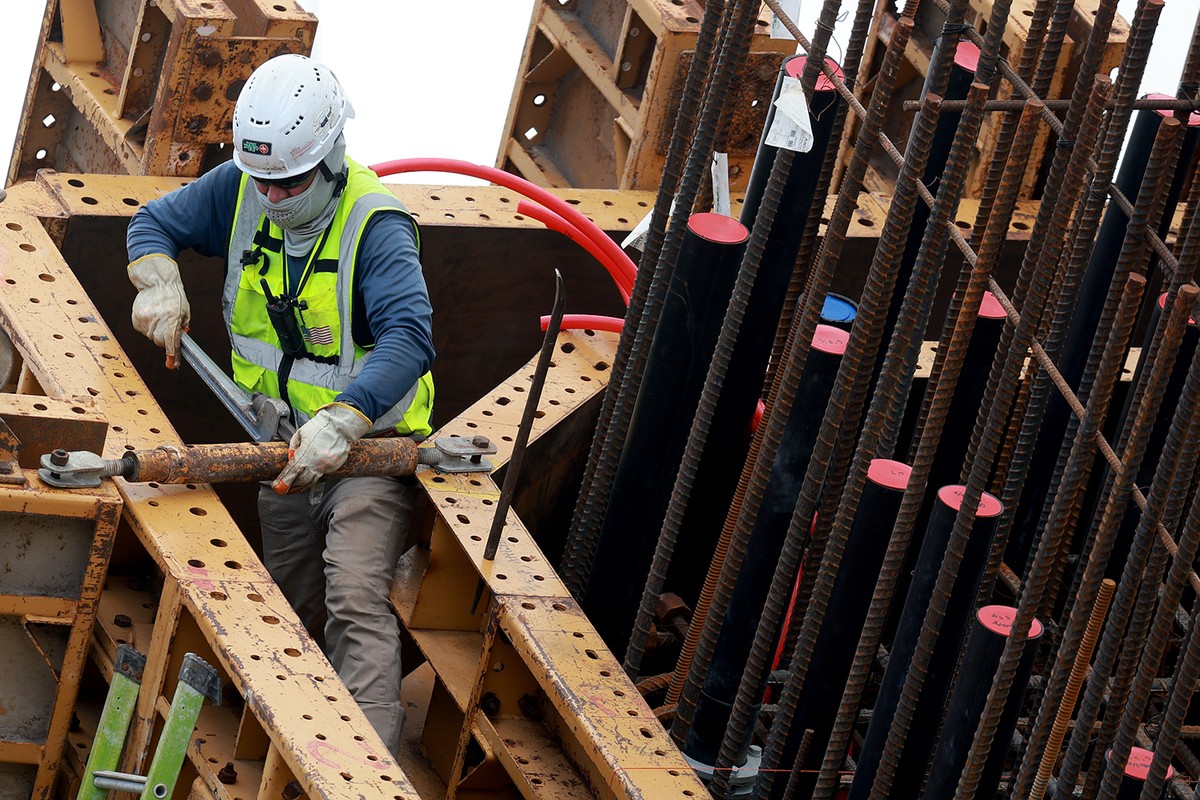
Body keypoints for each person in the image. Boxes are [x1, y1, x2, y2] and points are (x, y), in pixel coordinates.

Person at [124, 54, 434, 754]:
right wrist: (159, 279)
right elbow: (151, 224)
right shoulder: (240, 186)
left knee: (354, 599)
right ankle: (292, 757)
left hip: (366, 455)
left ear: (331, 157)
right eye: (261, 180)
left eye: (288, 182)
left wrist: (346, 417)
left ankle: (366, 776)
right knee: (290, 612)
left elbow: (410, 338)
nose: (270, 197)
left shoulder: (374, 224)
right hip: (281, 452)